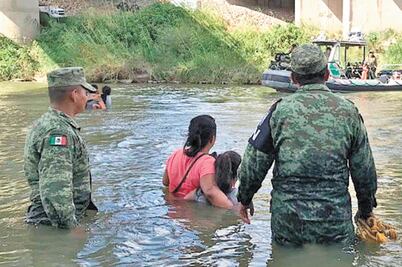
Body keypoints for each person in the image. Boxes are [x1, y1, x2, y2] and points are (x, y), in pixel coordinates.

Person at [237, 44, 377, 246]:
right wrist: (366, 211)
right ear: (327, 74)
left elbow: (254, 163)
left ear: (293, 78)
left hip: (289, 225)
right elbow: (364, 171)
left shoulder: (278, 113)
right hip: (334, 225)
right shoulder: (349, 113)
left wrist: (244, 198)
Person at [24, 67, 98, 229]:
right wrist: (71, 229)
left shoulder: (50, 123)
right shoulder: (58, 132)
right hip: (53, 225)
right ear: (74, 94)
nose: (87, 98)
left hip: (50, 222)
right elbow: (55, 189)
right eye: (85, 93)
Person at [162, 115, 233, 209]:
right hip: (191, 214)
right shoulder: (208, 162)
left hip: (173, 212)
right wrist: (233, 208)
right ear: (212, 138)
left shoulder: (175, 154)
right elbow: (210, 192)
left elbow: (165, 182)